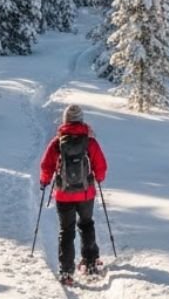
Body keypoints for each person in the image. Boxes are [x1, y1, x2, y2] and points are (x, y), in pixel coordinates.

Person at [40, 104, 108, 281]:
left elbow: (46, 165)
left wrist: (44, 181)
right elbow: (101, 166)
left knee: (66, 230)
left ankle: (66, 271)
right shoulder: (90, 142)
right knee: (86, 225)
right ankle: (90, 262)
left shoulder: (57, 142)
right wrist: (98, 178)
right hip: (86, 193)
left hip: (63, 194)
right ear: (81, 120)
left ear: (65, 120)